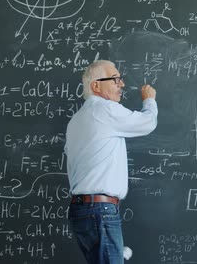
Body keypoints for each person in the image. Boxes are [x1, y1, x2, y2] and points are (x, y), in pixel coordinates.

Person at [65, 60, 157, 264]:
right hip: (100, 212)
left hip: (82, 212)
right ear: (96, 86)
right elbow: (147, 122)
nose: (121, 84)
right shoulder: (105, 109)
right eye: (115, 79)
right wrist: (149, 100)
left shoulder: (76, 120)